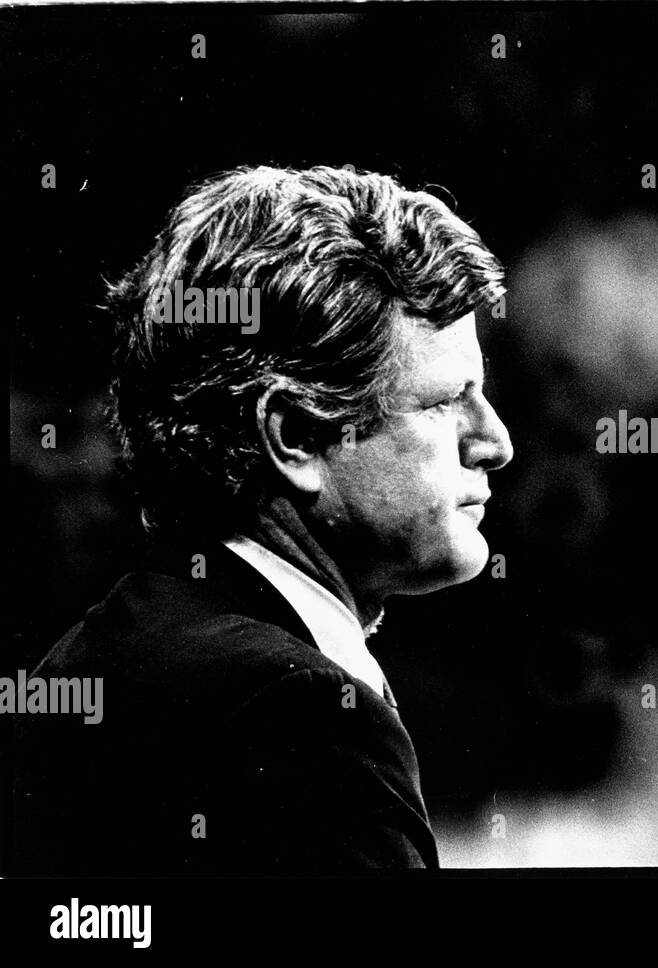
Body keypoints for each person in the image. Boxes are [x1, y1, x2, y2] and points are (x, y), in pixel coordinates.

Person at [11, 165, 513, 873]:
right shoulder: (296, 713)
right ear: (296, 438)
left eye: (481, 395)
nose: (495, 442)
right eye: (442, 402)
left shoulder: (122, 649)